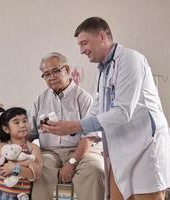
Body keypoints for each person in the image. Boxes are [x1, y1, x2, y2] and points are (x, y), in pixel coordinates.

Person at [42, 17, 170, 200]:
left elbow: (123, 112)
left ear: (102, 36)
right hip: (120, 150)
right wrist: (68, 127)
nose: (81, 50)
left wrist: (76, 126)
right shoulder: (103, 71)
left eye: (84, 43)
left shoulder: (130, 60)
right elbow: (97, 111)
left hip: (144, 146)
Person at [29, 52, 105, 200]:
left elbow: (89, 138)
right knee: (38, 168)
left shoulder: (84, 99)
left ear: (67, 70)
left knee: (95, 170)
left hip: (83, 152)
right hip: (50, 152)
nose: (51, 77)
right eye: (46, 74)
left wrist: (71, 163)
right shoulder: (40, 100)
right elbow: (30, 133)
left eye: (56, 71)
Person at [0, 107, 43, 200]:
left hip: (23, 196)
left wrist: (15, 168)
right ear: (6, 129)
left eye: (24, 121)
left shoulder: (33, 148)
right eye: (17, 122)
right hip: (2, 194)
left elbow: (35, 174)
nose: (23, 125)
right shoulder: (1, 146)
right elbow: (5, 169)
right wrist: (28, 163)